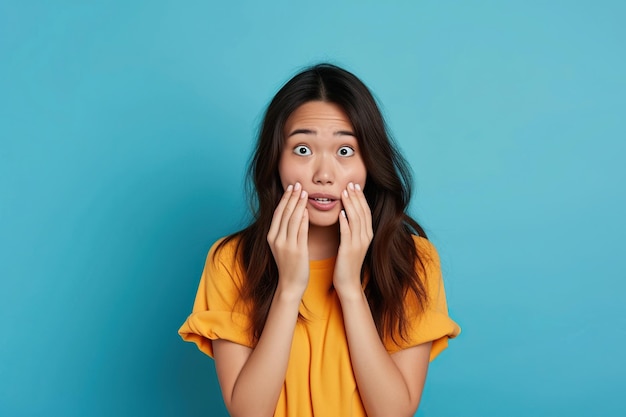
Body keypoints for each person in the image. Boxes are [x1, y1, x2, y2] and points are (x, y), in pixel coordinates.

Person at [178, 63, 460, 417]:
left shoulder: (412, 260)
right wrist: (289, 289)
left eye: (345, 151)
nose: (324, 176)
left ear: (369, 163)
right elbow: (249, 413)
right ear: (276, 160)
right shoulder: (230, 261)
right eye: (302, 150)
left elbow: (393, 413)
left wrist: (350, 289)